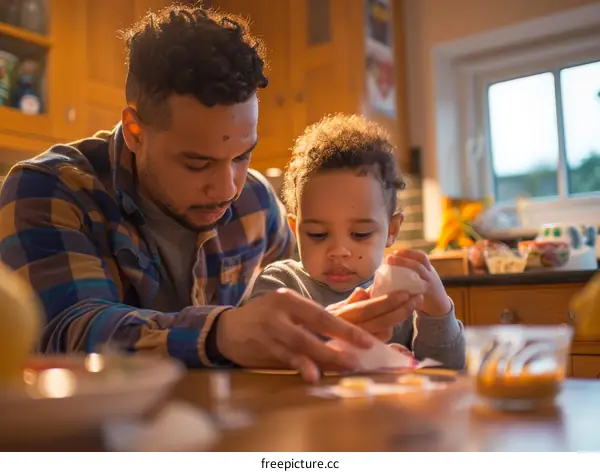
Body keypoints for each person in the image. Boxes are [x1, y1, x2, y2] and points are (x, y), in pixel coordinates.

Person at [0, 4, 418, 383]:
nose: (228, 188)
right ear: (135, 131)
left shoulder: (257, 204)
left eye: (242, 155)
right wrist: (222, 333)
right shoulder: (49, 191)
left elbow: (304, 309)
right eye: (197, 163)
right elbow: (67, 332)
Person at [247, 114, 465, 369]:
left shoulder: (399, 294)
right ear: (295, 230)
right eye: (317, 234)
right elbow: (258, 356)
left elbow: (443, 372)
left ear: (392, 230)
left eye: (360, 234)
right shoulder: (281, 285)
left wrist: (438, 313)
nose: (339, 252)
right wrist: (327, 329)